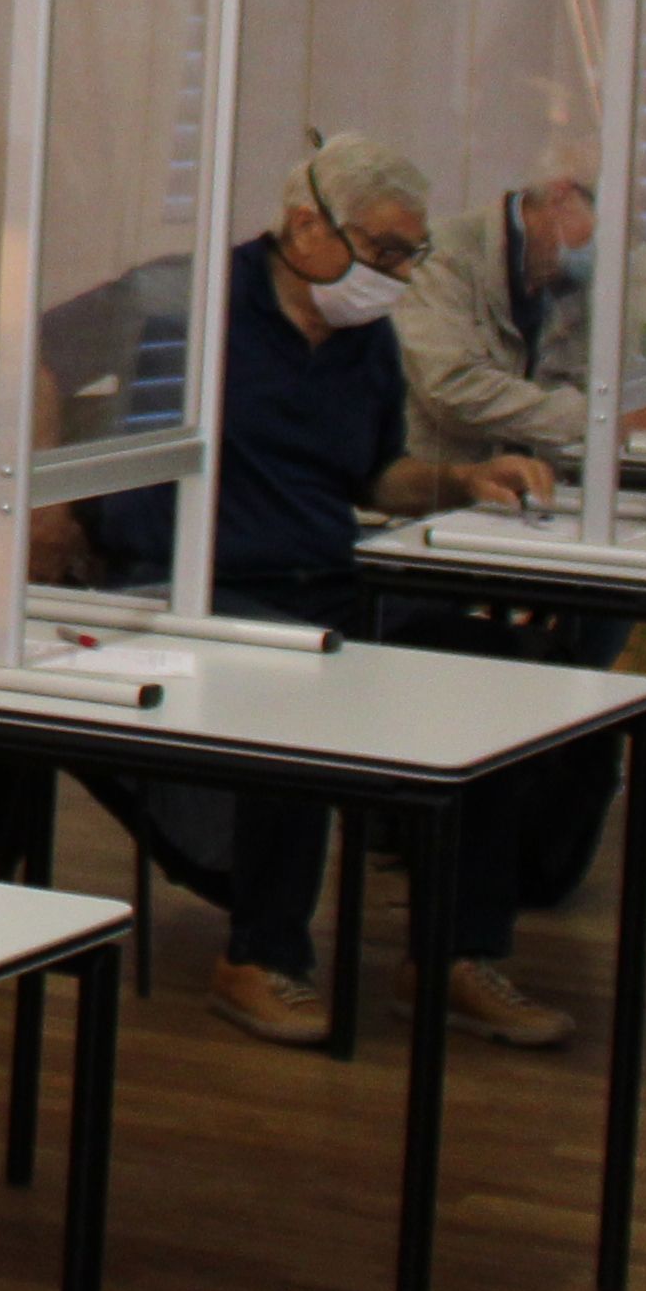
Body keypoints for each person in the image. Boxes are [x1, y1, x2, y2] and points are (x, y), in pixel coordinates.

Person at [73, 139, 571, 1050]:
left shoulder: (363, 339)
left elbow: (373, 476)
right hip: (192, 581)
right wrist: (48, 510)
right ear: (306, 225)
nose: (397, 275)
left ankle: (452, 954)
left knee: (495, 674)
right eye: (384, 251)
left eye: (410, 254)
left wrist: (462, 481)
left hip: (318, 579)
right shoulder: (190, 299)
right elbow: (49, 354)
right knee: (299, 688)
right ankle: (259, 958)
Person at [404, 167, 598, 477]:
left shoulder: (565, 282)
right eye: (607, 224)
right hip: (440, 488)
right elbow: (452, 390)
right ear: (561, 197)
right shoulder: (444, 257)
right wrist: (593, 417)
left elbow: (578, 378)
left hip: (526, 485)